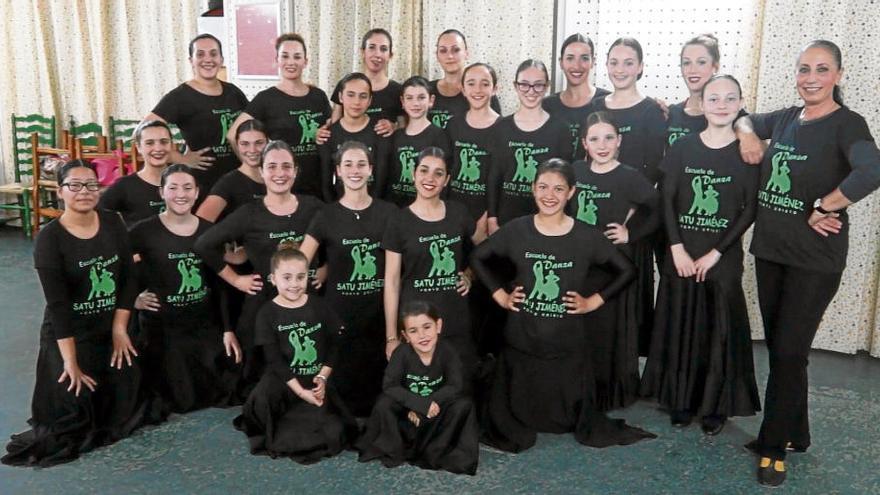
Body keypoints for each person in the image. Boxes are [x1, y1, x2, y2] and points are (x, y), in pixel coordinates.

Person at [733, 40, 880, 487]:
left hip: (814, 261)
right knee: (784, 350)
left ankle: (773, 446)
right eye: (803, 69)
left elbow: (872, 170)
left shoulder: (847, 123)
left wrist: (827, 204)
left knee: (789, 351)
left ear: (838, 74)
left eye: (820, 69)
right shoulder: (783, 119)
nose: (810, 78)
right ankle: (798, 431)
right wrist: (745, 134)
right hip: (771, 253)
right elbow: (743, 117)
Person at [472, 159, 654, 452]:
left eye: (559, 189)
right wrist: (500, 295)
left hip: (567, 345)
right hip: (523, 340)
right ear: (533, 189)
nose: (549, 195)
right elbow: (478, 257)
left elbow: (627, 271)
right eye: (543, 187)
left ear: (571, 193)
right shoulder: (517, 230)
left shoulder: (586, 235)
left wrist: (593, 301)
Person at [2, 161, 146, 467]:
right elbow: (58, 307)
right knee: (71, 411)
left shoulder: (113, 222)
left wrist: (120, 329)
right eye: (75, 185)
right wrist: (70, 361)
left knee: (127, 404)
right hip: (70, 333)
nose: (85, 192)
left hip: (110, 326)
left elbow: (128, 279)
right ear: (60, 191)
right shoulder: (49, 239)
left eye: (91, 185)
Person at [640, 75, 761, 437]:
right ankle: (680, 399)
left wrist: (716, 253)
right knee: (680, 323)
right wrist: (675, 247)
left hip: (720, 258)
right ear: (703, 103)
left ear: (740, 104)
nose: (721, 104)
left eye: (729, 98)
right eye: (714, 98)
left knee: (717, 329)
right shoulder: (683, 148)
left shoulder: (747, 152)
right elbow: (667, 200)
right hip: (682, 251)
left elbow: (749, 209)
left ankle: (714, 405)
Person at [195, 140, 324, 398]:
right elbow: (204, 245)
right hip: (265, 304)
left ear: (295, 171)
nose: (280, 173)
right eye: (272, 167)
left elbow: (335, 242)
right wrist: (236, 280)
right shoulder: (249, 213)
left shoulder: (313, 207)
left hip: (307, 302)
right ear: (262, 172)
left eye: (286, 166)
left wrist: (326, 269)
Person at [129, 164, 242, 415]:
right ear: (161, 192)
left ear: (197, 192)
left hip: (202, 322)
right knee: (175, 395)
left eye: (188, 188)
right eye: (173, 188)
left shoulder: (209, 231)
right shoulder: (143, 231)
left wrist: (227, 329)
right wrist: (133, 299)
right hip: (165, 326)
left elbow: (219, 283)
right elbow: (117, 267)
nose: (181, 194)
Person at [300, 141, 397, 417]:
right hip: (338, 316)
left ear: (371, 170)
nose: (355, 171)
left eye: (361, 164)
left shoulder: (388, 213)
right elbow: (297, 264)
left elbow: (392, 278)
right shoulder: (325, 215)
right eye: (348, 165)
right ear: (338, 172)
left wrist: (391, 334)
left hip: (376, 316)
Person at [570, 111, 659, 410]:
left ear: (619, 140)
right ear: (585, 143)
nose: (602, 144)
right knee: (582, 327)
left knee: (609, 329)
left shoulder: (630, 176)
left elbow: (657, 209)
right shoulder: (575, 172)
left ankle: (611, 390)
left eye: (609, 137)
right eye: (595, 139)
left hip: (612, 267)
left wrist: (630, 233)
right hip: (581, 264)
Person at [233, 246, 353, 464]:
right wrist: (300, 392)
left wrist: (323, 377)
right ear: (273, 278)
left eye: (300, 277)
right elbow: (274, 361)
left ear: (308, 276)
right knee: (277, 426)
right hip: (283, 381)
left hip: (314, 379)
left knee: (332, 431)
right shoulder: (267, 313)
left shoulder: (319, 306)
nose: (294, 284)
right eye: (287, 277)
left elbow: (336, 344)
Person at [588, 38, 667, 353]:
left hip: (630, 219)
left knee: (625, 295)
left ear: (641, 67)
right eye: (614, 62)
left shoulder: (651, 111)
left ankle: (624, 369)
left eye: (628, 62)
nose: (620, 69)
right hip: (595, 217)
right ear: (606, 66)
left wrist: (631, 215)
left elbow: (655, 167)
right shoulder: (597, 107)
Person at [382, 147, 479, 381]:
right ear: (413, 174)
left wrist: (470, 274)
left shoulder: (459, 213)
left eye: (438, 173)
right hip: (416, 324)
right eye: (424, 170)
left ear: (446, 180)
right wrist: (392, 336)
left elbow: (485, 249)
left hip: (454, 320)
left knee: (459, 389)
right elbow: (392, 282)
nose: (430, 178)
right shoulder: (398, 220)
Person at [357, 300, 479, 475]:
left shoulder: (447, 351)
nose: (422, 335)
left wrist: (429, 404)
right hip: (407, 413)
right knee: (384, 403)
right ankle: (395, 448)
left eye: (427, 327)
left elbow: (455, 384)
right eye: (413, 331)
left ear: (438, 325)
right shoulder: (401, 354)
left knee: (464, 405)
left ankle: (436, 451)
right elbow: (390, 385)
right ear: (405, 335)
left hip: (435, 411)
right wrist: (417, 405)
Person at [227, 34, 331, 198]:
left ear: (305, 61)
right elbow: (233, 135)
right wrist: (253, 168)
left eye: (297, 57)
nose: (291, 62)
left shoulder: (318, 96)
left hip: (317, 187)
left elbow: (331, 131)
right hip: (282, 188)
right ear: (277, 60)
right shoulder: (266, 98)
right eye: (285, 56)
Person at [144, 34, 248, 197]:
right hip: (202, 184)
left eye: (213, 54)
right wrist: (179, 158)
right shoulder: (180, 97)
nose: (208, 59)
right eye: (200, 54)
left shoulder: (233, 92)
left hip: (236, 181)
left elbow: (251, 128)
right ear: (191, 60)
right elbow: (143, 130)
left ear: (221, 59)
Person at [487, 59, 573, 233]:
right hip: (507, 220)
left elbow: (566, 181)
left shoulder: (561, 129)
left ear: (547, 86)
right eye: (524, 85)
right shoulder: (501, 127)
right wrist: (492, 218)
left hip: (547, 221)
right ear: (516, 86)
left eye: (538, 85)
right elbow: (494, 175)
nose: (531, 91)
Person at [446, 62, 501, 239]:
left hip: (484, 217)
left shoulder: (505, 128)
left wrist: (486, 219)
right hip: (453, 212)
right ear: (462, 89)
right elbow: (447, 168)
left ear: (494, 89)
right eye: (471, 83)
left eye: (485, 84)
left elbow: (500, 179)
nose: (477, 89)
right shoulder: (453, 124)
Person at [318, 72, 391, 202]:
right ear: (340, 97)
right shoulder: (328, 134)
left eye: (363, 96)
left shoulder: (380, 131)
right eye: (350, 95)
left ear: (370, 100)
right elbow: (326, 184)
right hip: (339, 207)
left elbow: (382, 182)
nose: (356, 102)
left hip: (374, 207)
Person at [543, 34, 611, 161]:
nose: (577, 65)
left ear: (593, 62)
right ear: (561, 63)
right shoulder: (546, 105)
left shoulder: (608, 102)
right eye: (570, 58)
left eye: (584, 58)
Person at [385, 76, 451, 206]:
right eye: (409, 98)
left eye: (421, 98)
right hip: (396, 207)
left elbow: (444, 177)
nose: (415, 103)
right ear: (402, 102)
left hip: (426, 209)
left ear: (431, 100)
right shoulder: (396, 136)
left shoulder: (439, 136)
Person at [328, 28, 402, 136]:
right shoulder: (345, 85)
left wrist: (394, 127)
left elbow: (405, 128)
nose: (377, 54)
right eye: (371, 47)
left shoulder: (398, 90)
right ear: (363, 52)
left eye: (383, 49)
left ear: (390, 55)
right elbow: (334, 127)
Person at [98, 120, 172, 225]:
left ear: (171, 145)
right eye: (149, 143)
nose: (158, 148)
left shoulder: (186, 181)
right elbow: (96, 214)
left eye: (164, 142)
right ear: (138, 147)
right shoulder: (124, 186)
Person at [197, 119, 268, 223]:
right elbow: (201, 223)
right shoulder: (228, 183)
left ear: (268, 142)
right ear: (237, 145)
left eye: (259, 143)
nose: (252, 150)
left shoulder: (279, 177)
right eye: (245, 144)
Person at [428, 29, 501, 129]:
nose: (449, 56)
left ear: (466, 53)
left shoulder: (483, 93)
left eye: (456, 50)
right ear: (437, 56)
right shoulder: (426, 91)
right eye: (443, 50)